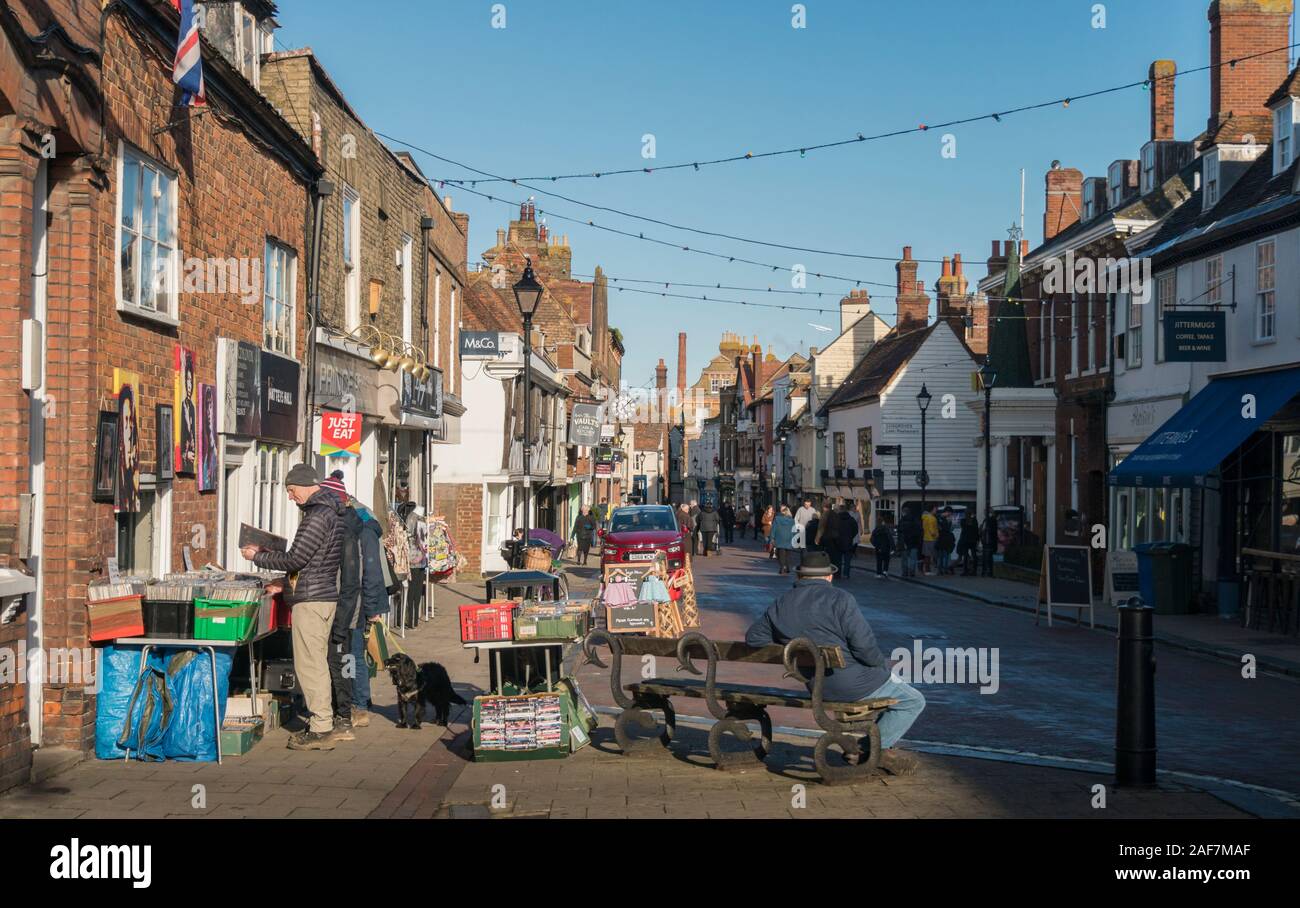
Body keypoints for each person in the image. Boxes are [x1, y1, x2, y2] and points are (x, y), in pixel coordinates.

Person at [745, 551, 925, 774]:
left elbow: (753, 638)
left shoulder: (781, 603)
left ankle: (871, 750)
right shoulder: (841, 599)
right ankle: (870, 750)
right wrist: (880, 666)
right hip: (853, 683)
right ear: (829, 576)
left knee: (895, 691)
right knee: (913, 700)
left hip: (816, 685)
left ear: (800, 576)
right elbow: (865, 646)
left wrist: (791, 648)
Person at [241, 464, 344, 751]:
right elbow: (315, 563)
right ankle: (324, 720)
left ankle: (321, 727)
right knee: (316, 662)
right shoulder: (329, 512)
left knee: (309, 665)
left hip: (312, 601)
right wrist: (284, 584)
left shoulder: (317, 516)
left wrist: (258, 556)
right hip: (320, 596)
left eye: (291, 490)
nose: (290, 496)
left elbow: (296, 559)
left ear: (304, 485)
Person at [319, 472, 387, 737]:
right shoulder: (346, 523)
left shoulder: (362, 529)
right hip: (343, 600)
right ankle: (352, 703)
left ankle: (358, 706)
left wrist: (373, 609)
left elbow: (371, 572)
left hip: (354, 603)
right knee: (347, 655)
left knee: (352, 655)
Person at [835, 503, 860, 578]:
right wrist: (850, 536)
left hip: (838, 542)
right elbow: (855, 530)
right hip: (848, 542)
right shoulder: (851, 519)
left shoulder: (836, 519)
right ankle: (846, 574)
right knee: (847, 560)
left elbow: (833, 529)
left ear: (839, 510)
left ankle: (838, 574)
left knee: (838, 560)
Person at [769, 505, 796, 574]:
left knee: (780, 554)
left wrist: (772, 537)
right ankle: (787, 567)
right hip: (789, 538)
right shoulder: (792, 521)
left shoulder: (777, 519)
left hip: (780, 538)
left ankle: (782, 567)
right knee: (787, 554)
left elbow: (773, 529)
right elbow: (794, 530)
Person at [898, 508, 922, 578]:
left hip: (905, 543)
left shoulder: (901, 521)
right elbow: (919, 531)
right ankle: (912, 572)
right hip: (914, 543)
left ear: (904, 513)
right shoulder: (915, 521)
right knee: (913, 558)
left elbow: (900, 533)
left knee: (904, 559)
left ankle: (905, 572)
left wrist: (901, 543)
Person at [871, 515, 895, 579]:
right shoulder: (886, 529)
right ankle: (885, 571)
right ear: (883, 522)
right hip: (886, 547)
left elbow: (872, 539)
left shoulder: (875, 530)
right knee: (886, 560)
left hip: (879, 548)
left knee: (879, 561)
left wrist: (876, 545)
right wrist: (893, 548)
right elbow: (890, 539)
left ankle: (878, 574)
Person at [936, 508, 956, 576]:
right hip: (944, 540)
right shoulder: (941, 519)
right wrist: (949, 523)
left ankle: (941, 570)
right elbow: (946, 529)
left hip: (941, 540)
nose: (950, 515)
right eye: (950, 513)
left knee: (941, 556)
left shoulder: (939, 518)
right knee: (944, 556)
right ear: (947, 512)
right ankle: (943, 570)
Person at [920, 505, 939, 576]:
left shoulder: (924, 517)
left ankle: (924, 569)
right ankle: (927, 571)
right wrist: (936, 535)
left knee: (926, 555)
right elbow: (932, 529)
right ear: (932, 509)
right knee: (929, 555)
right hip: (931, 538)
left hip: (925, 537)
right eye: (935, 509)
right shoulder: (932, 518)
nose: (936, 510)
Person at [981, 511, 998, 577]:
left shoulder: (986, 520)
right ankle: (990, 572)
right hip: (990, 541)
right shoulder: (993, 520)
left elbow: (982, 530)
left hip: (986, 541)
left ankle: (984, 571)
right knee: (990, 557)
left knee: (985, 557)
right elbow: (994, 531)